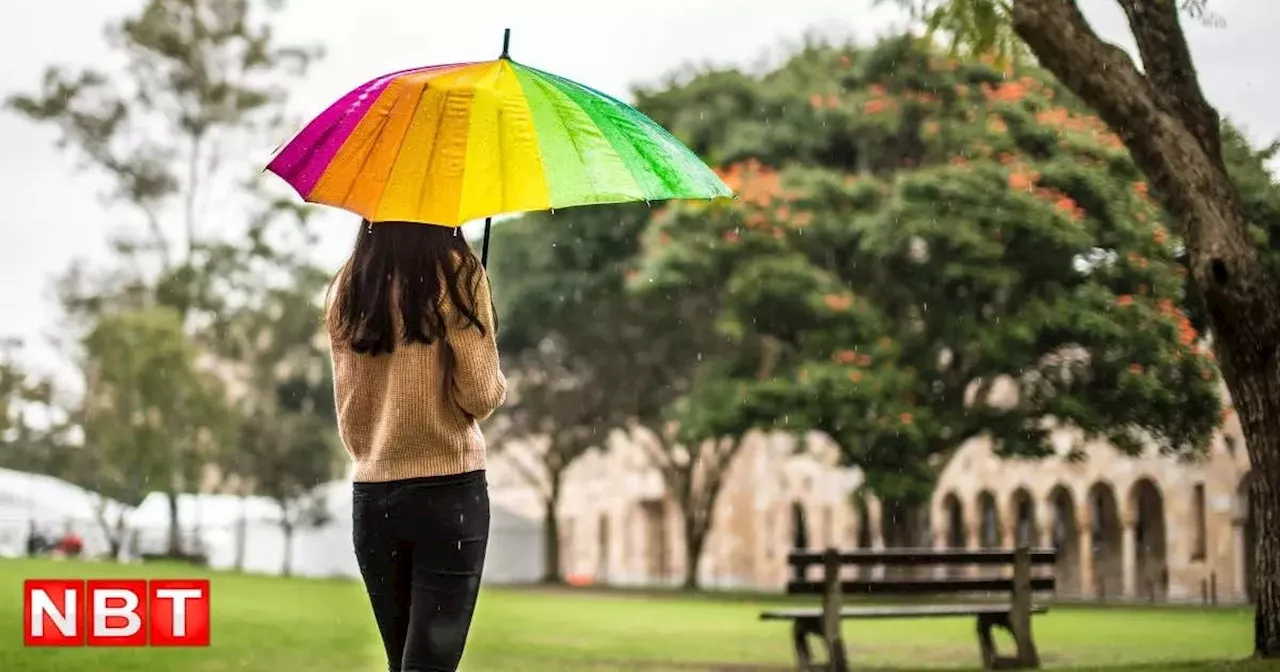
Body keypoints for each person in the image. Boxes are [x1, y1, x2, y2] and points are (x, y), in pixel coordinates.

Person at [326, 220, 507, 672]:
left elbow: (350, 408)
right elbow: (480, 397)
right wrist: (480, 332)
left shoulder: (351, 283)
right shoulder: (458, 273)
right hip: (449, 492)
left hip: (374, 497)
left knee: (402, 663)